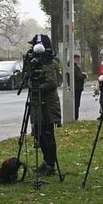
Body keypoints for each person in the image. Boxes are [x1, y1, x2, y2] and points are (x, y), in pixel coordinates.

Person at [26, 34, 62, 176]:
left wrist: (37, 87)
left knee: (47, 134)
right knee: (38, 134)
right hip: (37, 102)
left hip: (47, 104)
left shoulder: (50, 62)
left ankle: (50, 164)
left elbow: (52, 83)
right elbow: (28, 77)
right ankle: (46, 161)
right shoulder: (35, 61)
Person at [73, 54, 87, 120]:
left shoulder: (75, 67)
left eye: (78, 59)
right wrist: (84, 76)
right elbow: (78, 77)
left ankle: (76, 116)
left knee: (77, 103)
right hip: (76, 88)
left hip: (77, 87)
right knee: (76, 103)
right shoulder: (74, 67)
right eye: (77, 59)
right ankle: (75, 117)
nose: (78, 61)